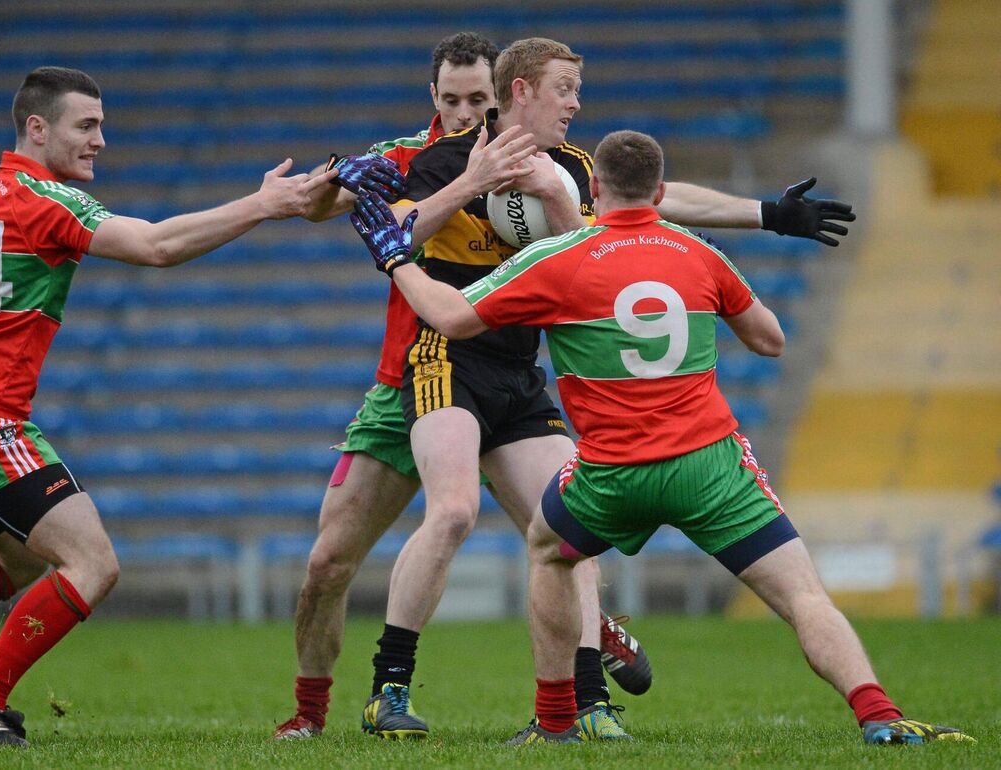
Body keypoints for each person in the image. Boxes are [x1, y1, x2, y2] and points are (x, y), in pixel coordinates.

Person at [350, 129, 972, 746]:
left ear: (594, 187)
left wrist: (396, 257)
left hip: (611, 472)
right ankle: (881, 716)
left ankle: (556, 721)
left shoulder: (558, 257)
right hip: (711, 467)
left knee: (548, 548)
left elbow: (452, 317)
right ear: (660, 188)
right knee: (804, 596)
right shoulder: (694, 250)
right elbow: (770, 339)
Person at [0, 66, 336, 748]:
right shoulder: (49, 201)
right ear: (36, 128)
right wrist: (262, 205)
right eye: (87, 125)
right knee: (93, 565)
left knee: (17, 563)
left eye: (101, 125)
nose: (101, 139)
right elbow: (156, 247)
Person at [275, 32, 650, 742]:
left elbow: (594, 259)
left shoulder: (570, 166)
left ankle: (589, 696)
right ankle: (362, 698)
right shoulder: (431, 159)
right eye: (566, 88)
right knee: (411, 528)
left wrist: (557, 201)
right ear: (521, 92)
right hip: (434, 361)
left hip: (515, 370)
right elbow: (368, 222)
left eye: (474, 100)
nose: (464, 114)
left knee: (571, 527)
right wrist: (457, 184)